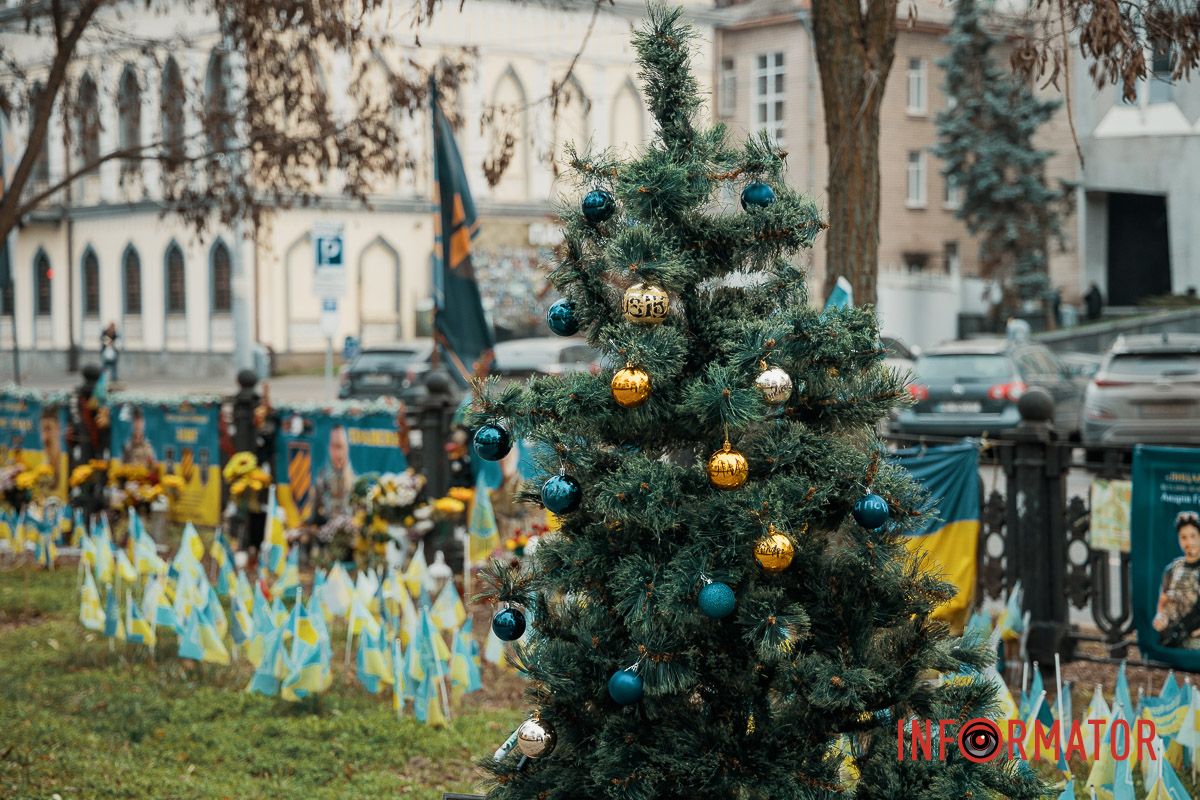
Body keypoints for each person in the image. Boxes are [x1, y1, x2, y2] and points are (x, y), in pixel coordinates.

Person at [1153, 511, 1200, 648]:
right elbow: (1163, 599)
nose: (1189, 542)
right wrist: (1160, 617)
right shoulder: (1172, 569)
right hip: (1171, 635)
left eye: (1193, 536)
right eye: (1184, 537)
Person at [314, 424, 355, 523]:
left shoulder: (355, 481)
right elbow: (314, 513)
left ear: (347, 448)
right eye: (334, 446)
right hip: (326, 530)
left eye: (340, 446)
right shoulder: (321, 479)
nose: (337, 452)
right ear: (329, 448)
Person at [39, 408, 67, 497]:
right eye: (42, 430)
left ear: (58, 430)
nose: (44, 438)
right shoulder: (40, 469)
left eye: (48, 429)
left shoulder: (67, 465)